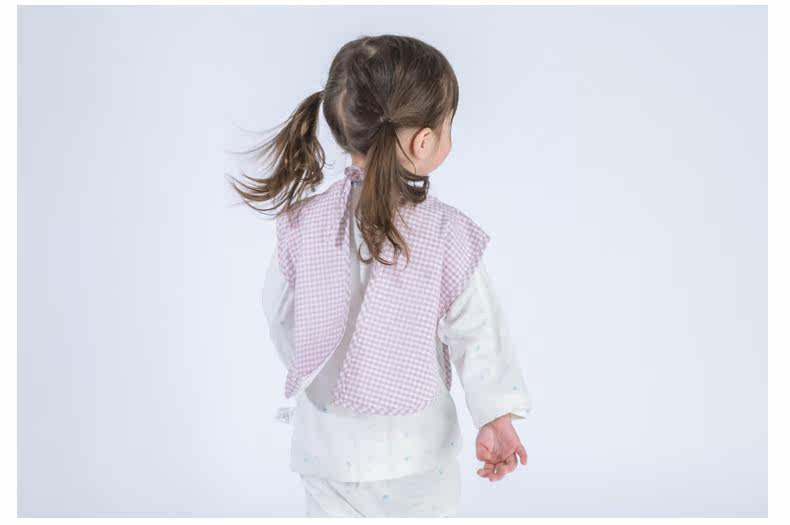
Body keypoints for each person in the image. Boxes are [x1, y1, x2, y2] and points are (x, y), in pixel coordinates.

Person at [228, 34, 532, 518]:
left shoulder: (304, 225)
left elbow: (280, 312)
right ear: (423, 141)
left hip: (327, 452)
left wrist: (319, 376)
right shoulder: (445, 233)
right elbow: (478, 331)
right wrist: (495, 414)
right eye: (448, 124)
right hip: (418, 456)